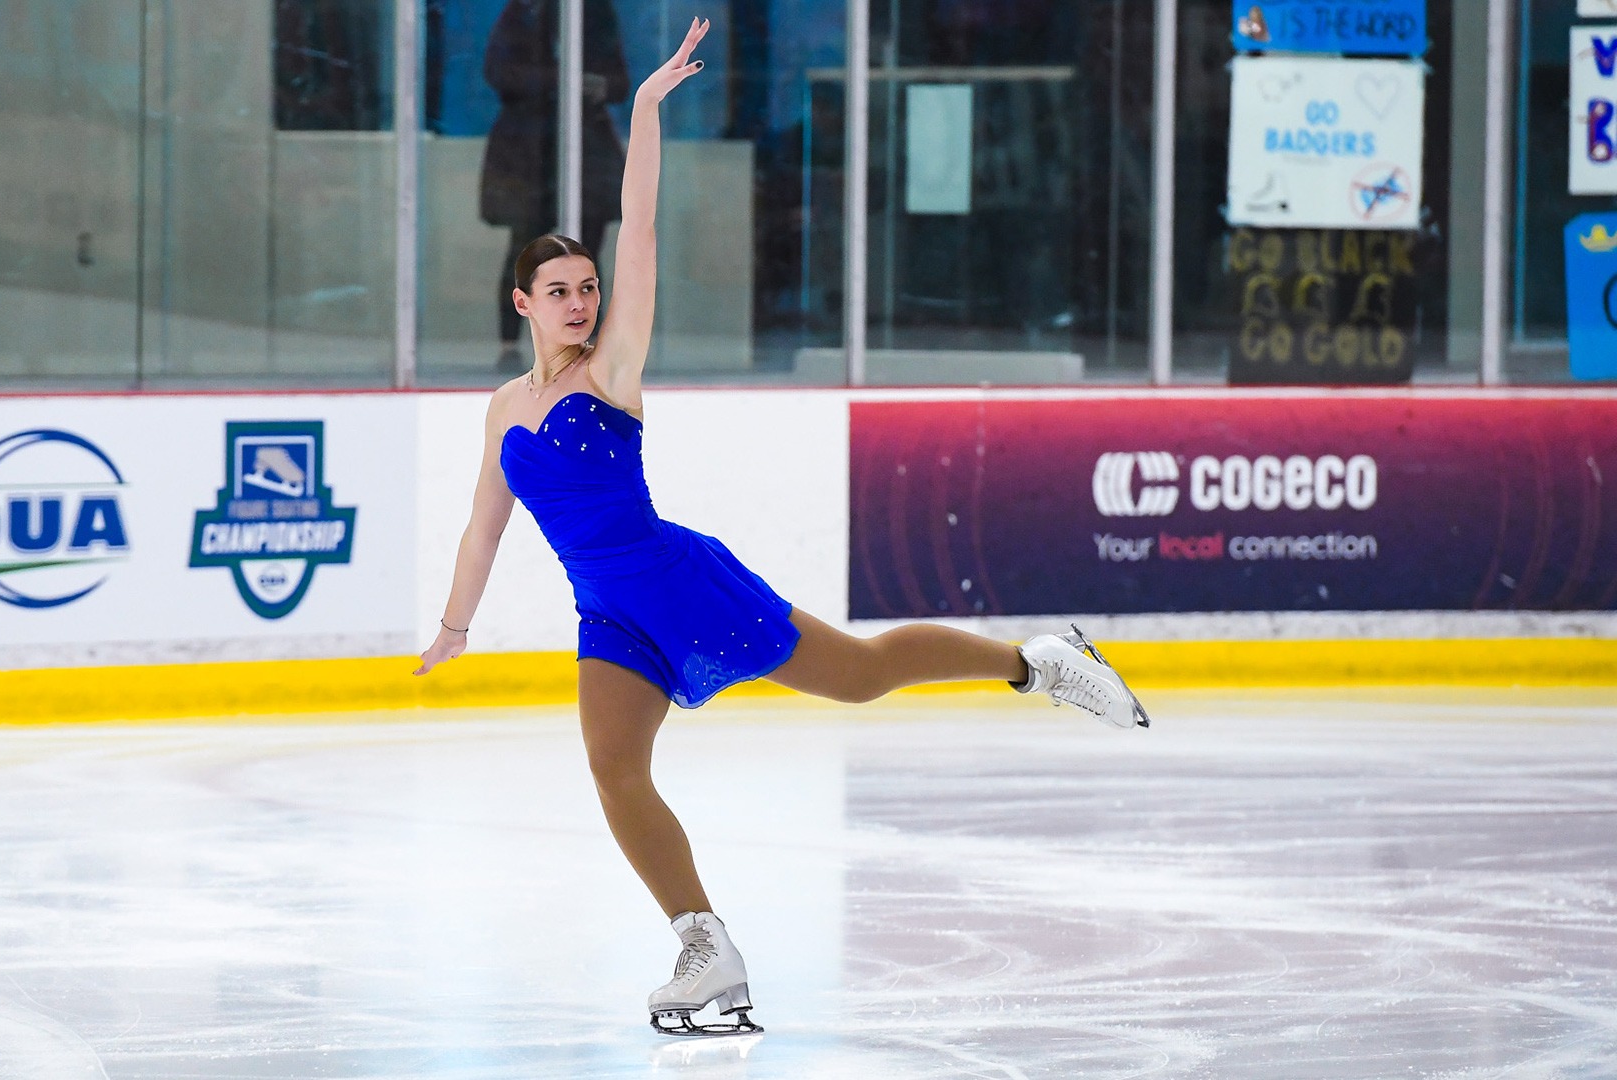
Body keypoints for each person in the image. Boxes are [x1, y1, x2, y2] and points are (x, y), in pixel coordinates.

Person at [416, 18, 1148, 1038]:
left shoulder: (613, 371)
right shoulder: (502, 409)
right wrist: (455, 624)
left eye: (587, 288)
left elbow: (645, 227)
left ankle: (1036, 661)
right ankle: (706, 948)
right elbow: (484, 528)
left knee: (857, 673)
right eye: (560, 292)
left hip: (676, 581)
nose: (580, 302)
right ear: (523, 303)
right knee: (614, 768)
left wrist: (641, 111)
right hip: (609, 615)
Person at [480, 0, 630, 372]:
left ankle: (590, 349)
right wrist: (563, 81)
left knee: (586, 254)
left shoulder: (596, 14)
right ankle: (510, 348)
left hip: (585, 151)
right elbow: (499, 73)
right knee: (526, 250)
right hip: (530, 150)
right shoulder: (523, 11)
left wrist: (598, 85)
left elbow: (621, 83)